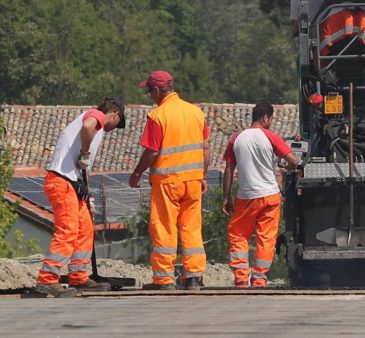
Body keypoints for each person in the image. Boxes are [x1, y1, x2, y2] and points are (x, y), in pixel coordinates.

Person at [35, 98, 126, 297]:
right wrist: (85, 153)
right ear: (115, 115)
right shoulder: (97, 116)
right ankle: (47, 279)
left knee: (85, 229)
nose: (114, 128)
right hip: (62, 181)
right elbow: (88, 125)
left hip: (74, 184)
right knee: (68, 230)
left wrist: (86, 189)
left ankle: (79, 276)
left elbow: (81, 168)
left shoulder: (97, 129)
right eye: (118, 124)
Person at [129, 70, 210, 291]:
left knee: (164, 228)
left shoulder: (158, 116)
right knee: (192, 228)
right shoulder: (196, 113)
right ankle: (193, 277)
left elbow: (152, 152)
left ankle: (164, 279)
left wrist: (137, 173)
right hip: (193, 180)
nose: (149, 96)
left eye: (149, 91)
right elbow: (205, 149)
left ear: (157, 90)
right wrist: (203, 175)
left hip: (167, 181)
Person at [222, 102, 298, 288]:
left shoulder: (236, 138)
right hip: (270, 196)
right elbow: (294, 161)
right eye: (271, 119)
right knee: (266, 237)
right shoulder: (270, 136)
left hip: (246, 196)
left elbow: (229, 170)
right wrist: (285, 166)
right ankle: (259, 278)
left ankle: (241, 278)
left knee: (239, 235)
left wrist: (226, 197)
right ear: (265, 118)